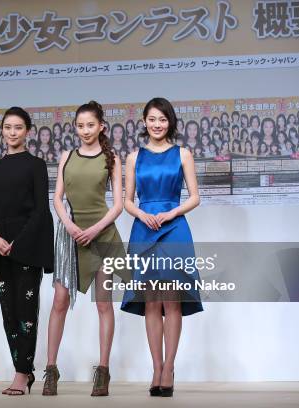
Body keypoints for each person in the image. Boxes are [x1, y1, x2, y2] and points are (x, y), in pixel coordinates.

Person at [120, 98, 203, 398]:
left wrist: (172, 213)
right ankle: (156, 368)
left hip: (174, 229)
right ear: (144, 121)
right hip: (144, 229)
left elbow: (195, 197)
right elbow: (128, 200)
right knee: (151, 302)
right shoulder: (133, 157)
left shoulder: (182, 153)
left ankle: (169, 367)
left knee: (172, 301)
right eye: (152, 119)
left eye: (162, 119)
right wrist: (141, 213)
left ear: (170, 122)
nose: (157, 124)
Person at [44, 101, 126, 397]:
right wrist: (68, 224)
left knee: (104, 303)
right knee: (60, 302)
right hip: (70, 235)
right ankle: (50, 370)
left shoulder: (112, 157)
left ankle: (103, 372)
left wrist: (93, 230)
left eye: (90, 125)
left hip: (101, 234)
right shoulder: (67, 155)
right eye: (80, 125)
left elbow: (117, 205)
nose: (85, 130)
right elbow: (57, 199)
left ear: (101, 126)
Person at [0, 107, 54, 396]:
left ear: (28, 131)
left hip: (27, 249)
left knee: (26, 313)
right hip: (0, 250)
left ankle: (22, 373)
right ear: (1, 130)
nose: (13, 132)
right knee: (8, 313)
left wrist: (18, 242)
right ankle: (22, 368)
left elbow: (40, 211)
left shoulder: (36, 165)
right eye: (8, 127)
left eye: (18, 127)